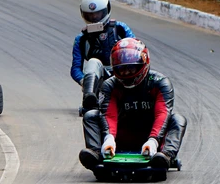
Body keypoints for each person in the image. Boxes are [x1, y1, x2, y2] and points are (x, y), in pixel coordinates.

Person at [79, 37, 187, 171]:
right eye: (122, 69)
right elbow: (109, 115)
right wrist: (109, 139)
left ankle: (165, 155)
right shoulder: (110, 85)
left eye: (131, 68)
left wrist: (153, 140)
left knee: (178, 119)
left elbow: (162, 114)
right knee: (91, 115)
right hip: (120, 136)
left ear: (143, 64)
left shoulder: (160, 83)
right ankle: (96, 152)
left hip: (151, 137)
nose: (126, 73)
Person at [70, 0, 134, 113]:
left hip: (122, 72)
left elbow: (136, 50)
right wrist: (84, 81)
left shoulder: (120, 29)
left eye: (98, 14)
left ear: (106, 10)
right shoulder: (81, 39)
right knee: (93, 62)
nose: (94, 18)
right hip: (98, 77)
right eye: (90, 15)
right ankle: (90, 100)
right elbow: (75, 68)